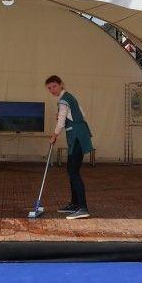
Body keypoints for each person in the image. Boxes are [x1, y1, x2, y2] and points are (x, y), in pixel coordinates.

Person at [45, 75, 93, 220]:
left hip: (77, 137)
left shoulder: (64, 100)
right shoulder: (69, 97)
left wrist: (54, 135)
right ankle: (75, 204)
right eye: (49, 88)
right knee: (72, 171)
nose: (52, 90)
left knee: (73, 172)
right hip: (79, 135)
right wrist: (65, 116)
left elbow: (61, 121)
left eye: (54, 86)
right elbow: (82, 114)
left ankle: (83, 208)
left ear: (61, 84)